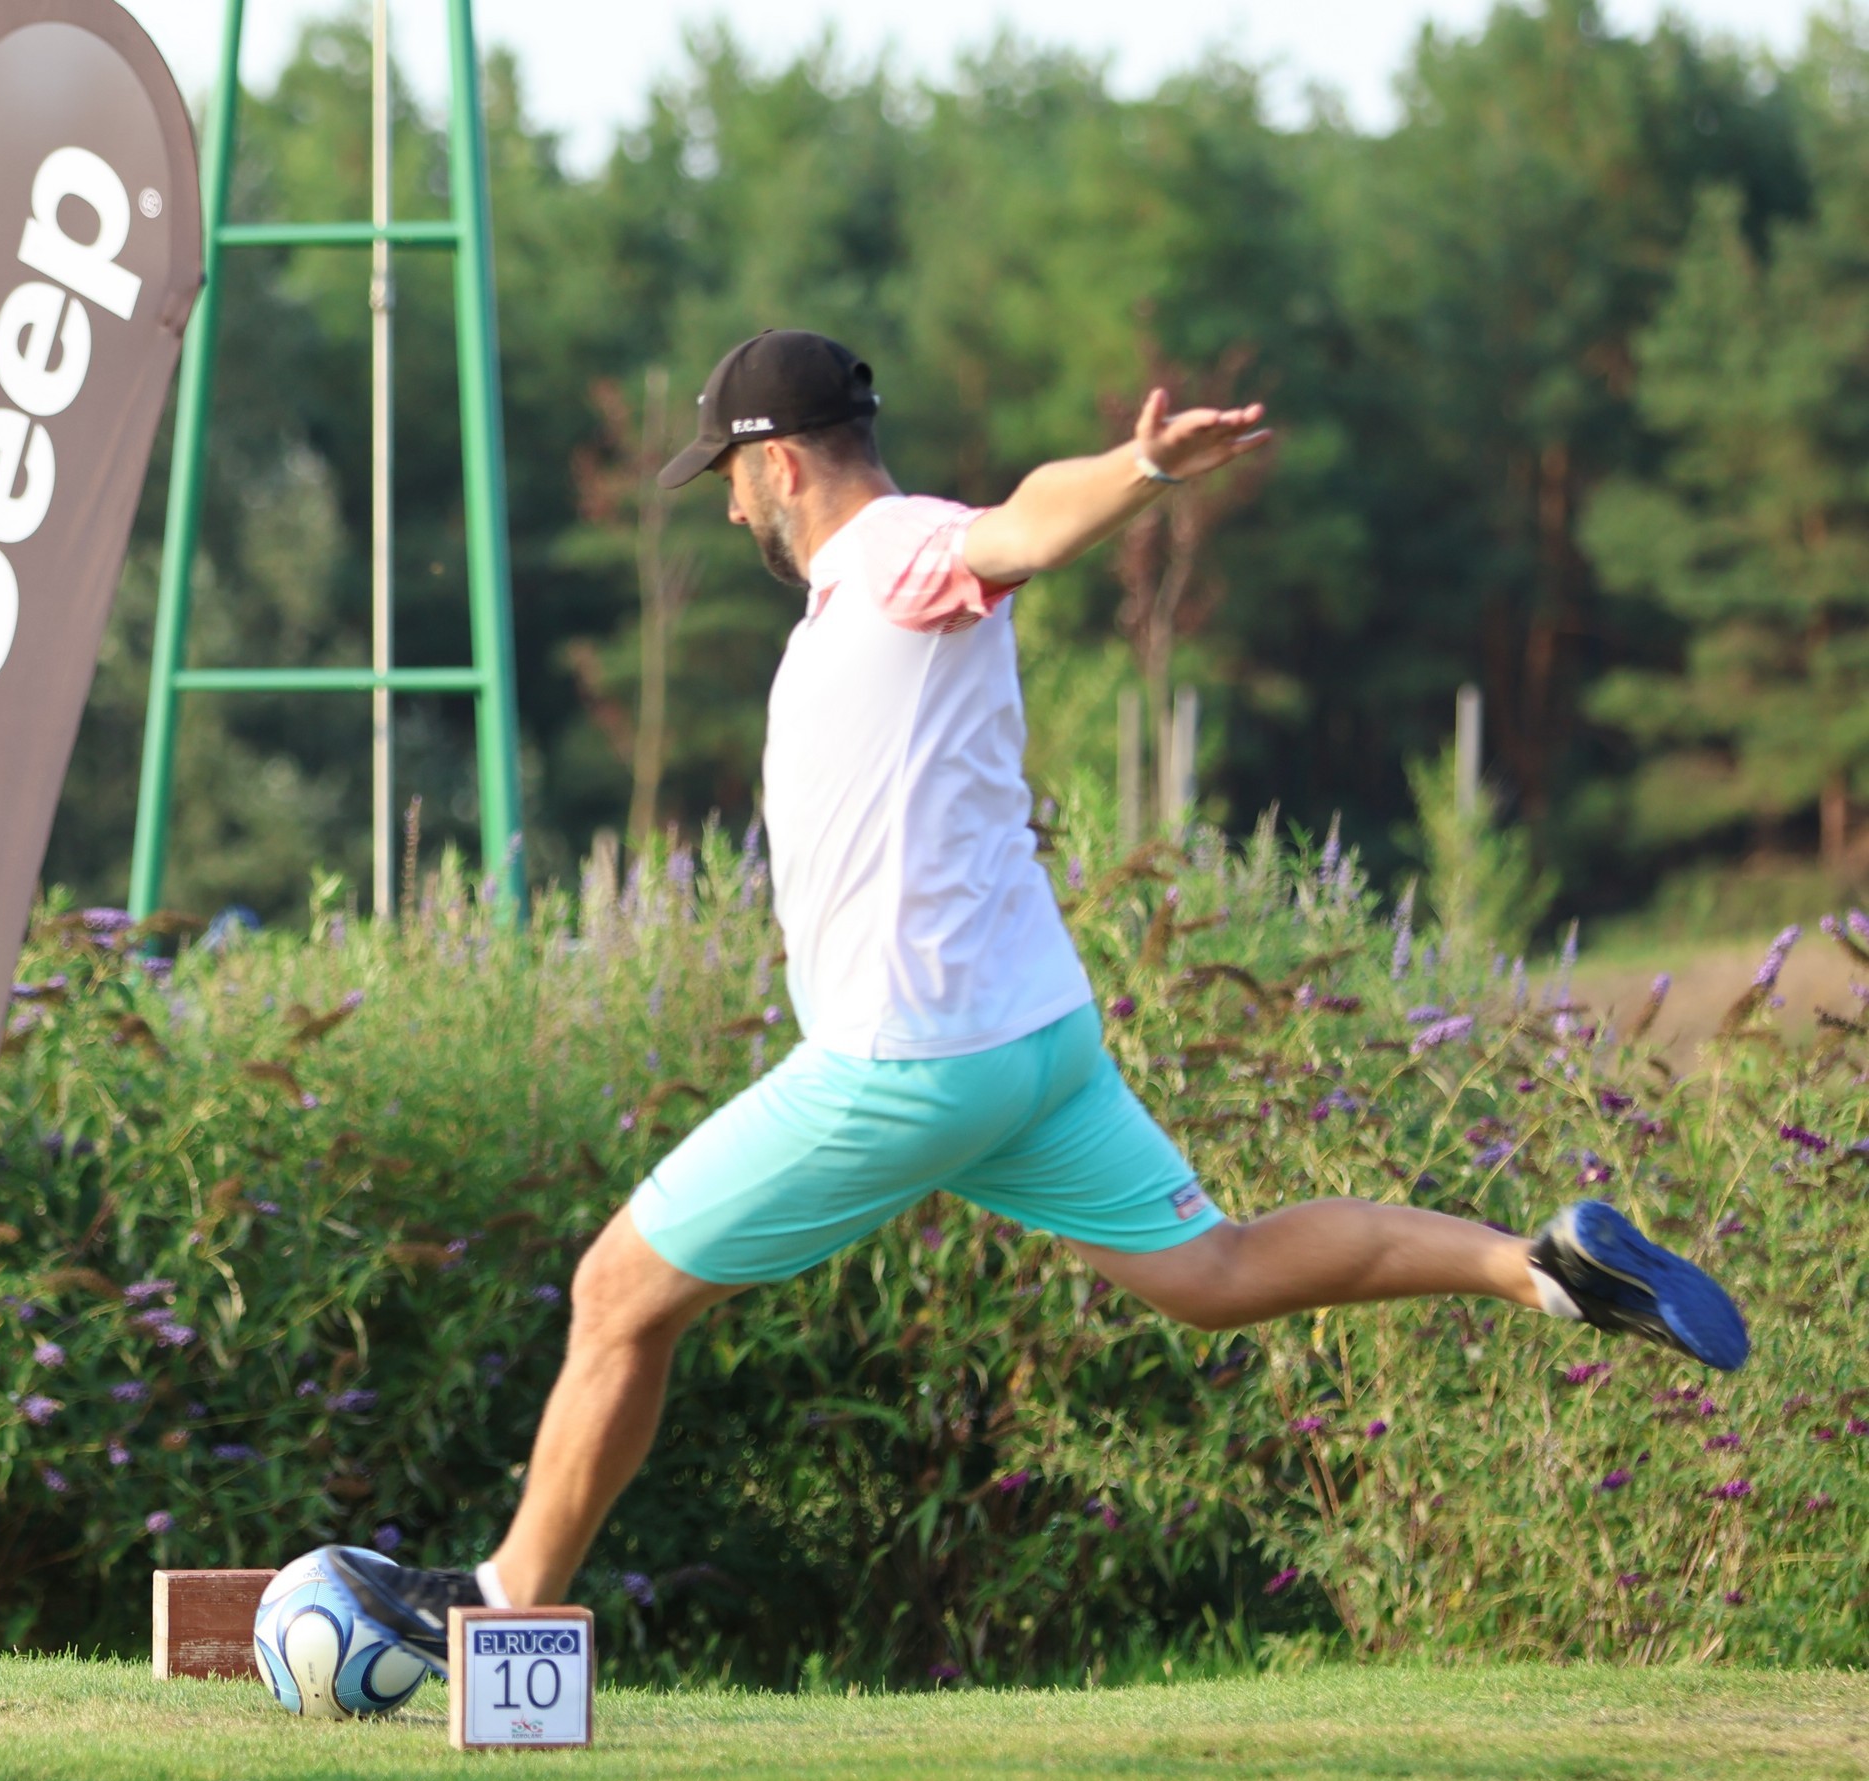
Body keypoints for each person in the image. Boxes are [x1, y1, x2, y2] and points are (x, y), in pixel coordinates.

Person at [331, 328, 1749, 1660]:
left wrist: (1139, 472)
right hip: (1033, 1045)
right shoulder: (863, 593)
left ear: (781, 463)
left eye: (729, 480)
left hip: (908, 1061)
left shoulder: (894, 550)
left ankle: (497, 1611)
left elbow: (1018, 529)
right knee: (1213, 1274)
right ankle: (1542, 1268)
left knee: (616, 1292)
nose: (729, 510)